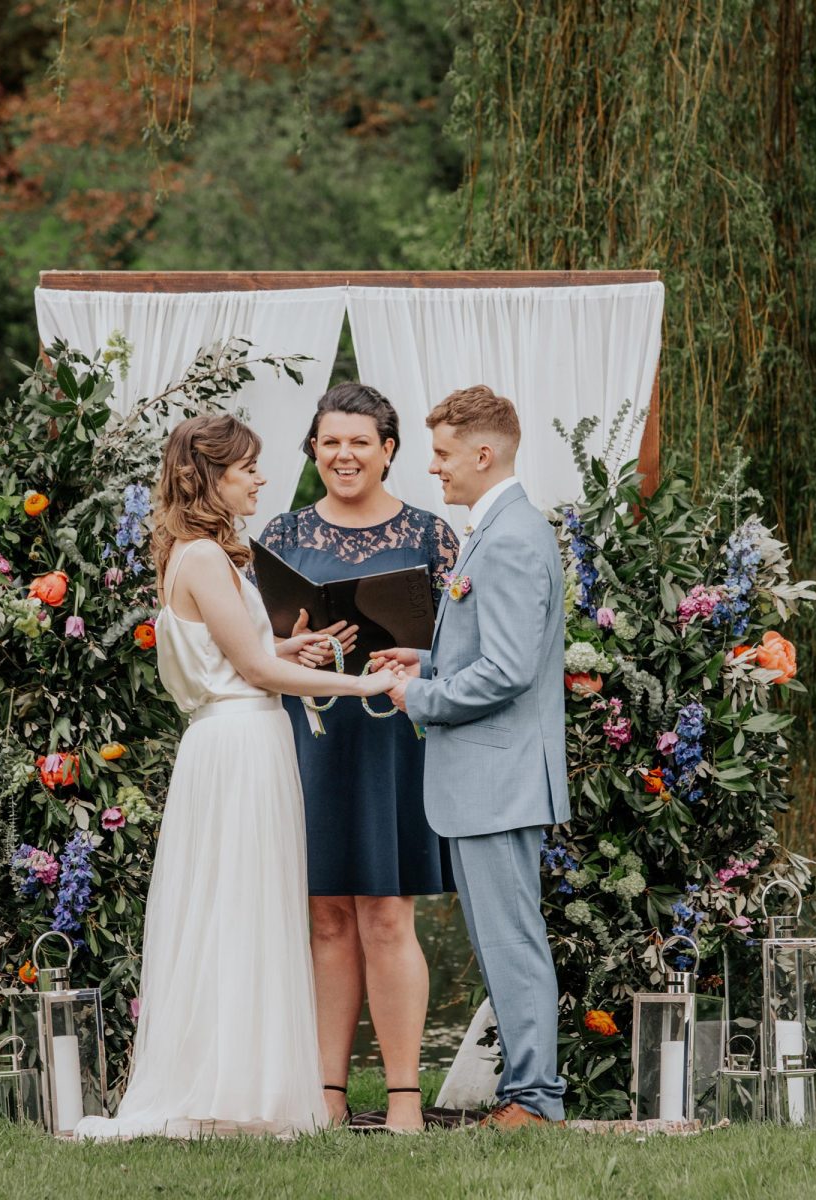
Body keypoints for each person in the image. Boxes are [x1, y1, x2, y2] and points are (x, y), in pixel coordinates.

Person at [75, 413, 398, 1140]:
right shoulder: (200, 558)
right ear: (210, 477)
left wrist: (299, 646)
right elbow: (250, 671)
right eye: (247, 467)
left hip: (248, 735)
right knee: (232, 909)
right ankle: (223, 1086)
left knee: (248, 906)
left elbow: (247, 650)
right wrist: (363, 688)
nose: (260, 477)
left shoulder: (211, 557)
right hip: (237, 742)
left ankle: (245, 1083)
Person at [257, 382, 458, 1132]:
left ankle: (404, 1096)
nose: (344, 455)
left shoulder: (433, 536)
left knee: (385, 913)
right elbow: (252, 643)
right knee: (325, 919)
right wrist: (292, 646)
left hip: (390, 736)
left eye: (359, 443)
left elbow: (468, 645)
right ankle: (327, 1094)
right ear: (313, 450)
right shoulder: (281, 533)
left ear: (389, 451)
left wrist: (425, 661)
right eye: (330, 442)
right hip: (309, 734)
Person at [373, 385, 571, 1130]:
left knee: (512, 942)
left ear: (483, 454)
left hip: (500, 779)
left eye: (445, 454)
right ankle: (528, 1093)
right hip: (492, 778)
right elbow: (488, 651)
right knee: (502, 939)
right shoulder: (501, 529)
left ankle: (535, 1100)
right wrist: (426, 660)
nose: (435, 469)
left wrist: (418, 698)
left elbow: (510, 669)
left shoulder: (512, 536)